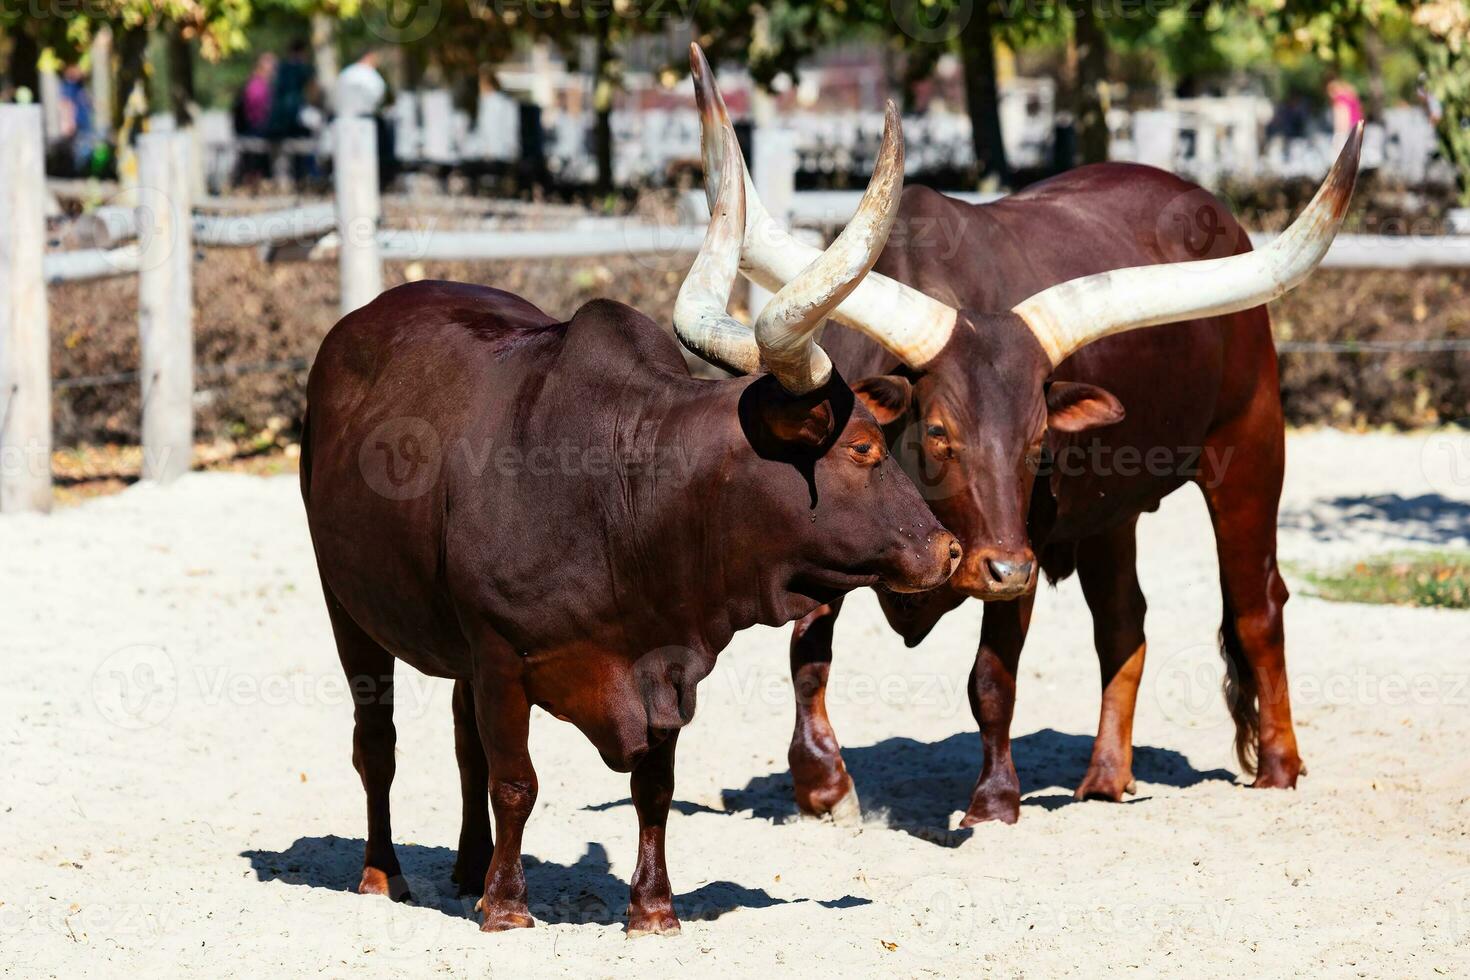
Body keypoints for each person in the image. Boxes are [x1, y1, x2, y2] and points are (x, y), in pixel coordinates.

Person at [1326, 72, 1364, 152]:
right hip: (1357, 126)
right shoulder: (1350, 94)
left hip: (1347, 129)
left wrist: (1338, 135)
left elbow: (1342, 117)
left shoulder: (1340, 98)